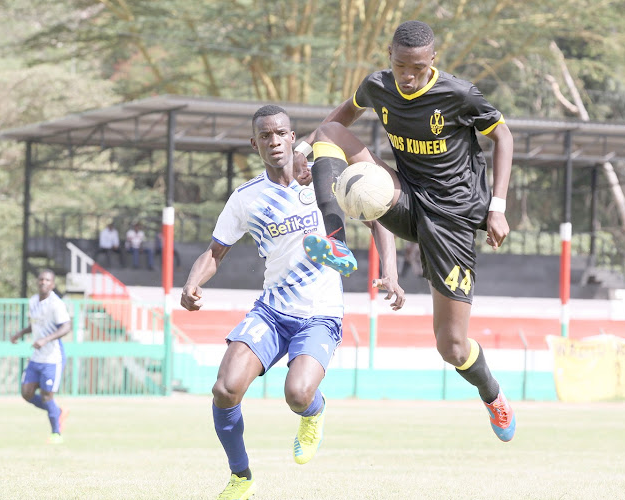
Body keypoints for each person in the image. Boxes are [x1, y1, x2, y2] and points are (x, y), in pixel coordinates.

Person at [298, 20, 516, 441]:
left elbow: (503, 136)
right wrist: (302, 153)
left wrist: (498, 207)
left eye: (418, 67)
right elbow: (345, 113)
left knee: (451, 346)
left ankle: (494, 397)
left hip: (452, 221)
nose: (409, 77)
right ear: (390, 59)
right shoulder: (378, 87)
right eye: (401, 67)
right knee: (328, 133)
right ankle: (334, 240)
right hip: (405, 196)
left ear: (433, 60)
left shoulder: (458, 94)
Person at [180, 105, 404, 500]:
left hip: (320, 313)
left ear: (291, 135)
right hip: (272, 309)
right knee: (225, 389)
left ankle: (313, 412)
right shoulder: (246, 198)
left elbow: (376, 217)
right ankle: (241, 477)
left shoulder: (324, 175)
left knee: (297, 394)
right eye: (265, 136)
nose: (274, 141)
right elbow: (215, 253)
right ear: (256, 144)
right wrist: (192, 283)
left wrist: (391, 270)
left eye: (280, 133)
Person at [10, 269, 72, 444]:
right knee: (26, 393)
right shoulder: (33, 301)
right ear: (38, 282)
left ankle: (56, 433)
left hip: (52, 358)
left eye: (47, 280)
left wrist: (46, 339)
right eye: (41, 279)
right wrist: (21, 333)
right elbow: (35, 324)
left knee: (46, 396)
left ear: (52, 284)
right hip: (37, 357)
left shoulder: (56, 304)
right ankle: (57, 411)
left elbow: (66, 327)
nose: (43, 282)